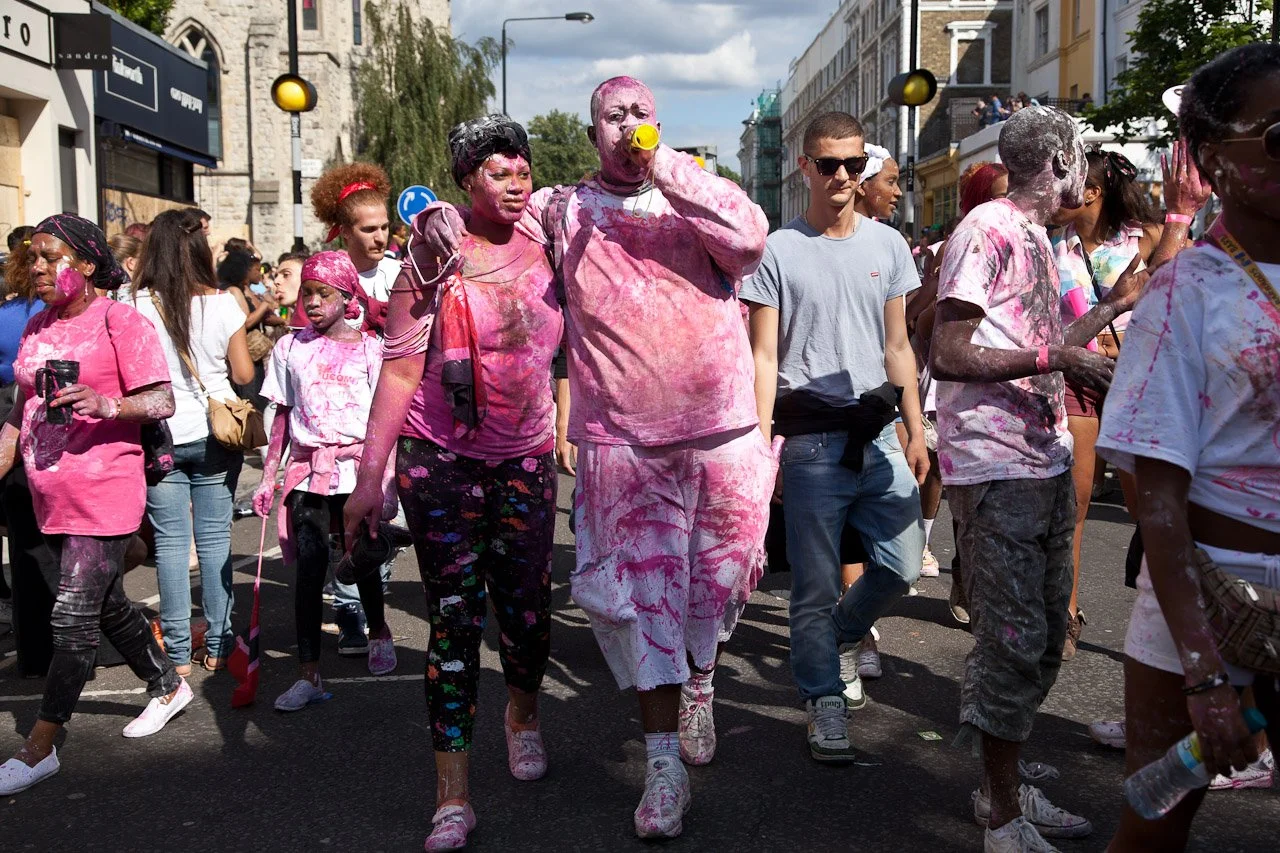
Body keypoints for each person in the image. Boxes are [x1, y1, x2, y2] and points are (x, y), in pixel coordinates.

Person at [415, 77, 774, 839]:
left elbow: (749, 241)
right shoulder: (563, 207)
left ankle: (702, 678)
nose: (630, 127)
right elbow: (486, 217)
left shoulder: (699, 191)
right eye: (614, 117)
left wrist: (665, 163)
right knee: (643, 606)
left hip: (722, 435)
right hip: (623, 445)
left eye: (641, 114)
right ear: (591, 135)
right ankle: (662, 768)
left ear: (660, 122)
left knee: (716, 590)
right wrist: (432, 212)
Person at [343, 115, 562, 852]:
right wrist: (368, 479)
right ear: (467, 180)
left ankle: (523, 714)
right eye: (497, 170)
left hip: (526, 457)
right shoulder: (429, 259)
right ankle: (453, 796)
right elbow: (400, 370)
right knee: (455, 624)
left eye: (521, 168)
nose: (515, 179)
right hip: (439, 460)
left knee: (528, 619)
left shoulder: (551, 243)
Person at [931, 106, 1147, 852]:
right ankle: (999, 815)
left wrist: (1109, 313)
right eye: (1080, 156)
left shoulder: (1038, 237)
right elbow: (949, 352)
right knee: (1014, 637)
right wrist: (1059, 360)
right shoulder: (984, 230)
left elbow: (1043, 345)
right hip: (995, 464)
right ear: (1056, 158)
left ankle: (1004, 779)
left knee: (1050, 633)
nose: (1085, 173)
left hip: (1045, 455)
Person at [1097, 42, 1280, 852]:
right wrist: (1206, 672)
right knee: (1158, 827)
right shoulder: (1187, 291)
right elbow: (1156, 498)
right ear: (1213, 156)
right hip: (1206, 599)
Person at [742, 115, 925, 762]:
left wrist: (916, 425)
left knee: (905, 560)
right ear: (805, 168)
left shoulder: (888, 245)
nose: (843, 176)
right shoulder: (776, 250)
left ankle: (845, 633)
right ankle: (822, 698)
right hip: (810, 439)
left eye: (853, 164)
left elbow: (898, 345)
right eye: (829, 165)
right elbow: (763, 357)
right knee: (813, 584)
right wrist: (763, 448)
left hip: (876, 431)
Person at [0, 214, 188, 797]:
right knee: (106, 604)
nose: (35, 266)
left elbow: (161, 399)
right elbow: (17, 413)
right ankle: (167, 685)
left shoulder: (119, 320)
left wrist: (107, 404)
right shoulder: (37, 325)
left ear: (83, 263)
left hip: (106, 487)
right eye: (30, 257)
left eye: (48, 256)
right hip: (50, 491)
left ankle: (40, 747)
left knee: (72, 617)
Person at [1050, 146, 1204, 661]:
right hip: (1078, 378)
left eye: (1067, 181)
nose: (1055, 190)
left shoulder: (1148, 236)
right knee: (1074, 501)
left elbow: (1173, 295)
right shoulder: (1053, 244)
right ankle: (1066, 616)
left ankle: (1162, 632)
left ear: (1092, 192)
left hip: (1139, 382)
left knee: (1148, 509)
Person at [253, 251, 397, 711]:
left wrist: (386, 478)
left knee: (362, 559)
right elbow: (281, 415)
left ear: (347, 295)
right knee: (310, 572)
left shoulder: (373, 349)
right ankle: (308, 672)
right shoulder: (290, 348)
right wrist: (267, 477)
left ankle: (378, 631)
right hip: (308, 473)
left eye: (323, 293)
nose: (312, 302)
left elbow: (386, 420)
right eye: (306, 294)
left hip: (358, 472)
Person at [132, 209, 256, 676]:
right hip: (215, 432)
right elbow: (243, 375)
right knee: (214, 541)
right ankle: (220, 645)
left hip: (159, 433)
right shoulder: (224, 304)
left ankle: (178, 652)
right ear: (202, 251)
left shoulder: (134, 303)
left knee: (169, 545)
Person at [910, 163, 1010, 627]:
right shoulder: (959, 245)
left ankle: (981, 581)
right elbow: (920, 320)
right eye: (998, 196)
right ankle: (962, 574)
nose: (1008, 206)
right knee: (956, 481)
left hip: (1012, 384)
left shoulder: (1031, 240)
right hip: (958, 382)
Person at [311, 162, 398, 335]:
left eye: (384, 227)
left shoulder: (402, 274)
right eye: (369, 229)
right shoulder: (325, 283)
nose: (380, 238)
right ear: (346, 232)